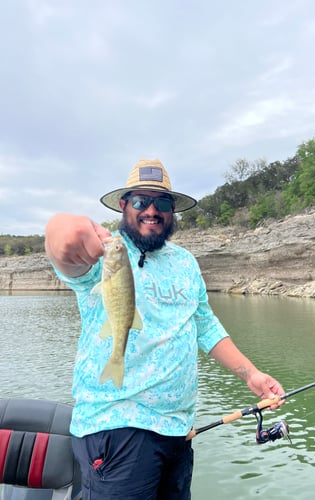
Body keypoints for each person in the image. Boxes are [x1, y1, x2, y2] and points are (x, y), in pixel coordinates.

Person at [45, 158, 285, 500]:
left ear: (173, 211)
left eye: (163, 202)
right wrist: (63, 228)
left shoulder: (186, 262)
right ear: (124, 206)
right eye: (141, 202)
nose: (152, 210)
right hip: (117, 428)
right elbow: (64, 249)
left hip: (177, 430)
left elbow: (205, 324)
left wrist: (251, 375)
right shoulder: (105, 253)